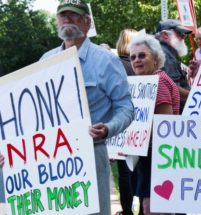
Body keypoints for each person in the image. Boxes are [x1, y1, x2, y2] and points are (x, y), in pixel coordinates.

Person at [41, 1, 134, 215]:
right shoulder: (46, 61)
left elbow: (126, 107)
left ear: (87, 22)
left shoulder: (107, 62)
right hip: (49, 161)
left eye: (74, 15)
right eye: (62, 15)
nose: (67, 20)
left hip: (90, 155)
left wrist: (109, 128)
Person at [128, 33, 180, 215]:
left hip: (157, 158)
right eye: (133, 57)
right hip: (152, 157)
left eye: (142, 55)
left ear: (156, 59)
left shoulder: (156, 83)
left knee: (152, 209)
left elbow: (166, 128)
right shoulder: (152, 81)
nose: (136, 61)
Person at [115, 28, 142, 215]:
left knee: (124, 171)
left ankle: (127, 210)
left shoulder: (114, 65)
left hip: (120, 123)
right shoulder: (139, 65)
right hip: (140, 124)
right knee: (139, 170)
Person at [155, 19, 191, 113]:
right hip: (173, 115)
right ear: (165, 35)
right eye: (180, 34)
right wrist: (194, 96)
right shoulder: (166, 55)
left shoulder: (163, 52)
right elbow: (171, 87)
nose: (183, 37)